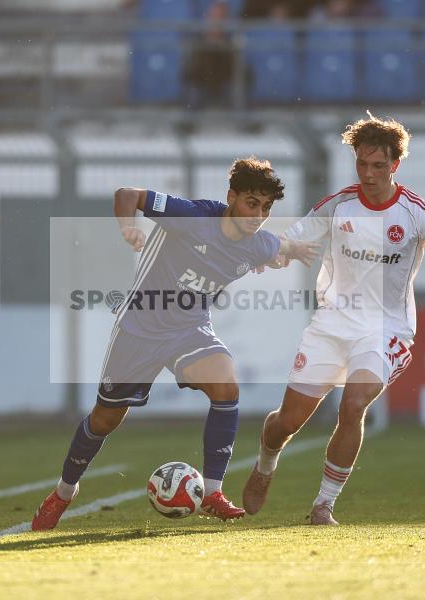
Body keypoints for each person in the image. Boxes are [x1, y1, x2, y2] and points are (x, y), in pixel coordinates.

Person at [31, 157, 320, 530]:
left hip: (190, 329)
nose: (257, 215)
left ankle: (213, 490)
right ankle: (63, 494)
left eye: (266, 208)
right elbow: (126, 194)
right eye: (251, 203)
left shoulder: (258, 242)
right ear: (231, 196)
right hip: (140, 327)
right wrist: (127, 228)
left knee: (226, 385)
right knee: (104, 420)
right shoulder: (193, 217)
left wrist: (292, 251)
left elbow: (276, 246)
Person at [242, 112, 425, 525]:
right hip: (332, 324)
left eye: (378, 165)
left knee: (353, 405)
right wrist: (268, 255)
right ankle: (266, 464)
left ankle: (323, 504)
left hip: (386, 329)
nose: (368, 174)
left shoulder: (417, 212)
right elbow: (289, 243)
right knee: (288, 421)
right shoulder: (338, 206)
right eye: (361, 164)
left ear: (395, 165)